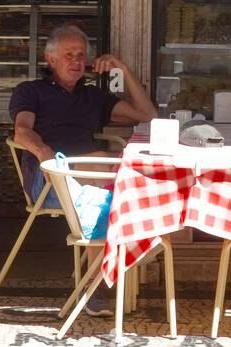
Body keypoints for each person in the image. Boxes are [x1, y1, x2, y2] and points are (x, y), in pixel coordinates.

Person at [9, 25, 157, 317]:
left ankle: (93, 285)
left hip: (91, 178)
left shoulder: (93, 97)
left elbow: (148, 116)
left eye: (81, 55)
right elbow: (22, 131)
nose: (77, 61)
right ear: (51, 60)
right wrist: (45, 154)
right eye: (69, 55)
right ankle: (115, 268)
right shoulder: (30, 91)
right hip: (49, 180)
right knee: (110, 167)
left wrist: (123, 69)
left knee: (112, 190)